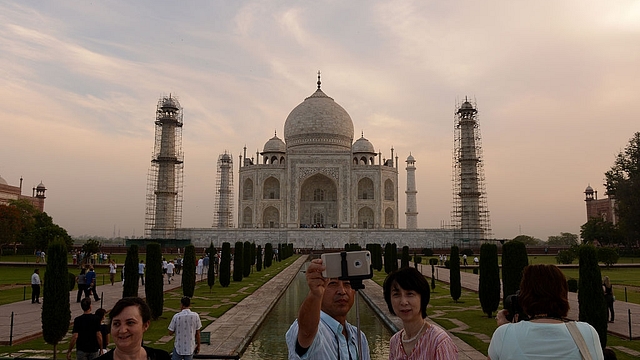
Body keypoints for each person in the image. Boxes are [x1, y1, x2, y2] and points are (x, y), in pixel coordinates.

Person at [488, 264, 604, 360]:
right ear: (563, 294)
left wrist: (506, 330)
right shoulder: (586, 332)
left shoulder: (504, 334)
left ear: (524, 296)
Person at [285, 258, 370, 359]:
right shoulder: (314, 330)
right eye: (332, 283)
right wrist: (315, 294)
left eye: (347, 284)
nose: (342, 291)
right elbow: (306, 332)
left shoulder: (359, 338)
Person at [383, 267, 458, 359]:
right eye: (396, 294)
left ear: (422, 297)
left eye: (410, 294)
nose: (403, 302)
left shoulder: (439, 342)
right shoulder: (394, 342)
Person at [96, 297, 170, 360]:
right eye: (116, 324)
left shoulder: (162, 357)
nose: (122, 330)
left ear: (145, 325)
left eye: (130, 323)